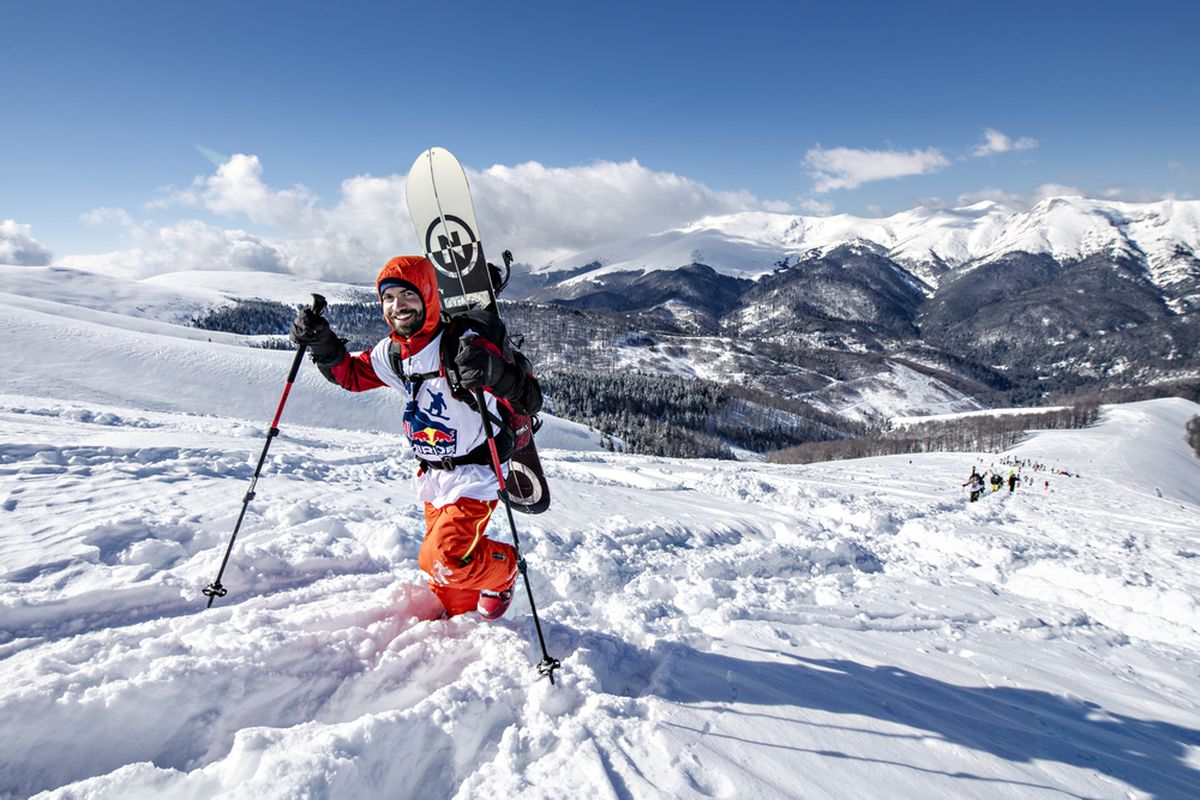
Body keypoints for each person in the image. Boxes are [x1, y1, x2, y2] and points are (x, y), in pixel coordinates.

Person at [289, 255, 542, 620]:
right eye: (388, 298)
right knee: (454, 596)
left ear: (428, 296)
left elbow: (531, 400)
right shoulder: (392, 353)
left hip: (476, 475)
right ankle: (467, 626)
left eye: (407, 296)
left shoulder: (463, 346)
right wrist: (323, 344)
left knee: (442, 558)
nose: (397, 306)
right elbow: (351, 376)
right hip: (433, 476)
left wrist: (496, 373)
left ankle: (505, 569)